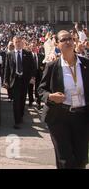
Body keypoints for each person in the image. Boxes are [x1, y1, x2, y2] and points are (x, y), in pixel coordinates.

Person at [38, 30, 89, 169]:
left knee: (81, 158)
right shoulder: (52, 66)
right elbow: (41, 90)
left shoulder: (85, 64)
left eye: (70, 39)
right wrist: (50, 97)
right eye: (63, 40)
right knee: (65, 159)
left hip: (82, 116)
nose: (68, 42)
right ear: (57, 44)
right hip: (59, 117)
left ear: (75, 41)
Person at [4, 36, 35, 129]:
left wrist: (32, 77)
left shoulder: (28, 54)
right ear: (13, 43)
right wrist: (5, 81)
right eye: (16, 42)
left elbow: (32, 67)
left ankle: (21, 115)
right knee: (16, 101)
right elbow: (7, 68)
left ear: (23, 43)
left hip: (24, 80)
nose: (18, 43)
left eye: (19, 42)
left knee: (22, 100)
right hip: (15, 80)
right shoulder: (10, 54)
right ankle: (16, 121)